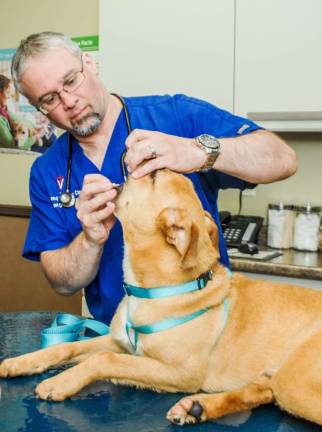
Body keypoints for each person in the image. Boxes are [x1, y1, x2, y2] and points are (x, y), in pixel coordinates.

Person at [12, 32, 297, 323]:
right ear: (40, 109)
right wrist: (90, 240)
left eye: (71, 81)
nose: (69, 101)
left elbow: (283, 159)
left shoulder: (175, 116)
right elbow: (63, 283)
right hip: (122, 340)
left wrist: (195, 151)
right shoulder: (47, 170)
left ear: (90, 62)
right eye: (49, 99)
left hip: (205, 332)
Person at [0, 74, 15, 147]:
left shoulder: (4, 110)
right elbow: (11, 144)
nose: (9, 96)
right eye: (8, 92)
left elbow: (18, 119)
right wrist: (35, 137)